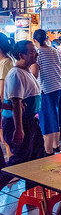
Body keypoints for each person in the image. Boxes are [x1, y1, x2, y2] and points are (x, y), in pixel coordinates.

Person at [0, 41, 44, 190]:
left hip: (30, 121)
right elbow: (17, 103)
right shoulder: (16, 74)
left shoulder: (27, 71)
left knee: (35, 158)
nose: (36, 54)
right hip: (18, 123)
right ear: (21, 55)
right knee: (20, 160)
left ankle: (32, 194)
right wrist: (19, 129)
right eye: (32, 52)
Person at [31, 29, 61, 156]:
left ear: (35, 40)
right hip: (58, 88)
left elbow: (34, 74)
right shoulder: (55, 51)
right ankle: (56, 147)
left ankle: (48, 152)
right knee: (55, 120)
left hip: (46, 90)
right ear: (46, 39)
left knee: (46, 122)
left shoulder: (37, 53)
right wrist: (56, 78)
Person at [0, 33, 14, 161]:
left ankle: (12, 166)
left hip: (4, 107)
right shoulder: (6, 61)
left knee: (6, 139)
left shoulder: (5, 63)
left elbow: (2, 89)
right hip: (5, 106)